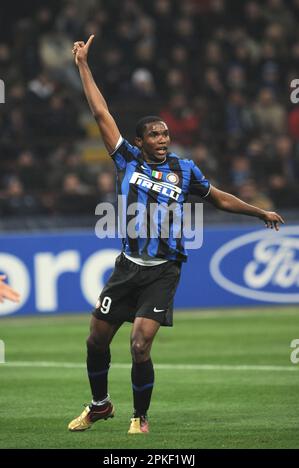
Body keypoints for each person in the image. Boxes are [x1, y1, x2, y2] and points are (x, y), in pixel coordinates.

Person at [68, 35, 284, 435]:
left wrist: (258, 212)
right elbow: (100, 112)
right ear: (140, 141)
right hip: (127, 268)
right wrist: (83, 64)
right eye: (154, 135)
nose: (163, 139)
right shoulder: (126, 160)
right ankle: (100, 406)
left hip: (164, 270)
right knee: (95, 340)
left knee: (138, 345)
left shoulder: (184, 171)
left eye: (165, 133)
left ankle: (140, 417)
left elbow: (218, 198)